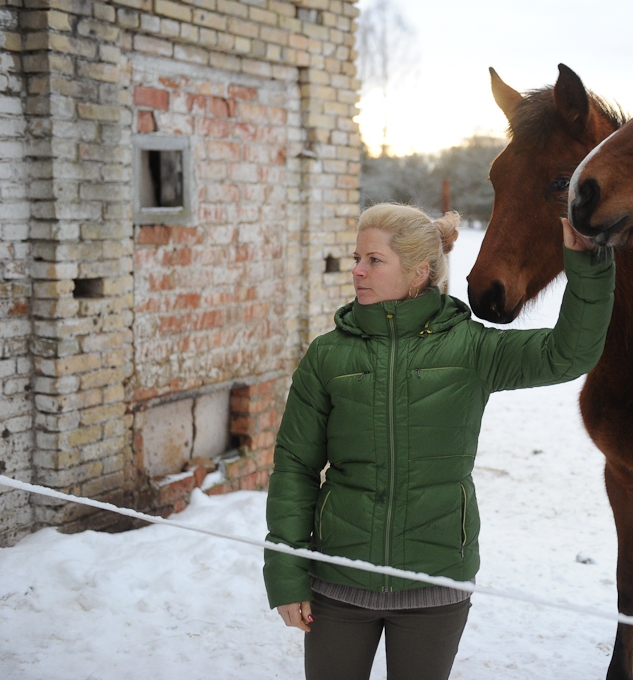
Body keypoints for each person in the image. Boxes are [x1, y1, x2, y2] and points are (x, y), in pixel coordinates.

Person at [263, 203, 614, 680]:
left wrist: (588, 267)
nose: (357, 270)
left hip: (435, 585)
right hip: (337, 583)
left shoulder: (471, 348)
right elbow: (294, 467)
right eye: (356, 257)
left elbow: (568, 354)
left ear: (418, 272)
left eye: (373, 260)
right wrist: (286, 573)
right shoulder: (328, 355)